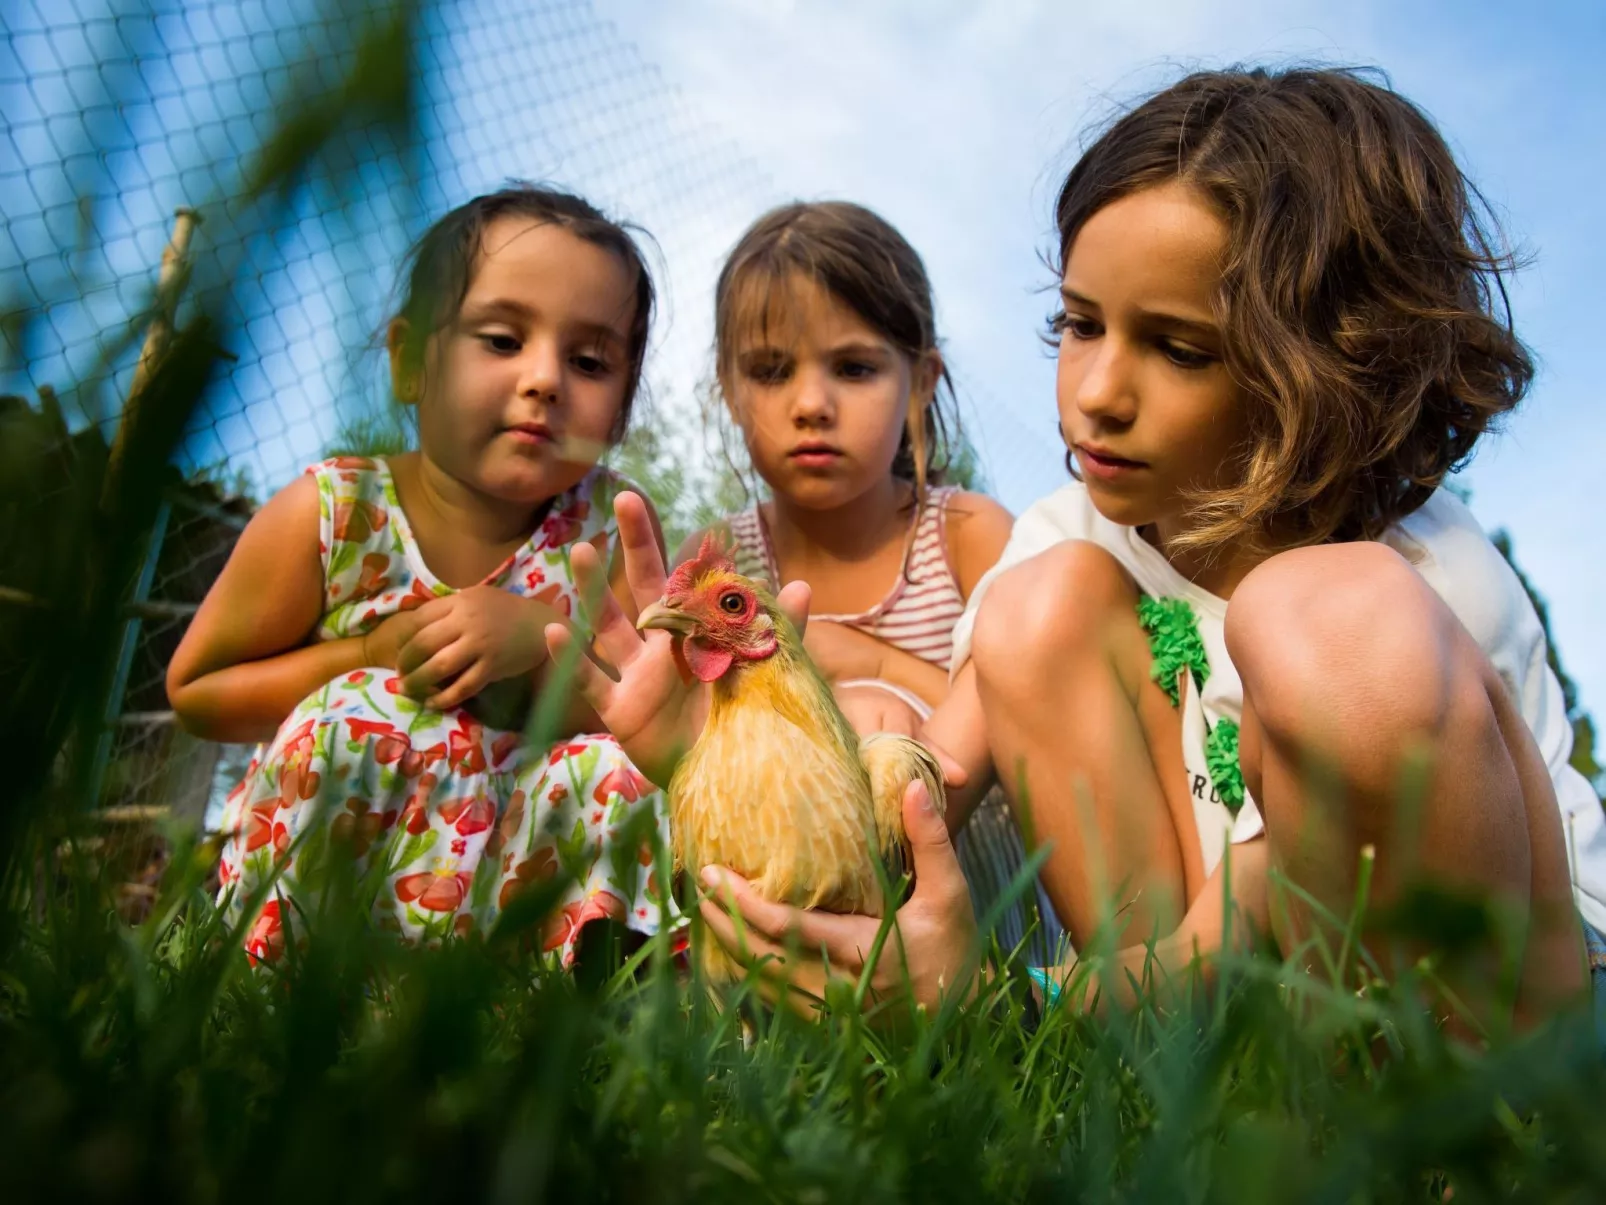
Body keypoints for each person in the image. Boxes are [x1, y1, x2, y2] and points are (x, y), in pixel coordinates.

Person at [556, 68, 1606, 1035]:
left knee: (1320, 619)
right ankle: (1187, 1070)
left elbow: (1248, 917)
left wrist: (1006, 1001)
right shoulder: (1071, 537)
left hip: (1526, 982)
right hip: (1253, 980)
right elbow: (919, 789)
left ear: (1330, 365)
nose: (1096, 391)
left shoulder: (1410, 581)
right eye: (1081, 324)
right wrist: (730, 745)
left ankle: (1471, 1108)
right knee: (1034, 607)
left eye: (1178, 347)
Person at [168, 184, 673, 966]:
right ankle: (288, 965)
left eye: (589, 361)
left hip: (510, 880)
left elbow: (640, 711)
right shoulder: (336, 513)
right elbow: (198, 690)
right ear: (409, 362)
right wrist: (366, 657)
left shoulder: (611, 528)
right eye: (502, 340)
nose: (545, 378)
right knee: (347, 720)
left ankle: (586, 980)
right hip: (348, 874)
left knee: (624, 770)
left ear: (621, 407)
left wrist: (543, 642)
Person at [680, 200, 1056, 956]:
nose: (811, 404)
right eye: (771, 370)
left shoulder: (965, 534)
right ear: (728, 391)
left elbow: (1035, 710)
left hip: (968, 878)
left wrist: (877, 666)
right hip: (774, 884)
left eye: (853, 368)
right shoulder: (723, 559)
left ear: (921, 381)